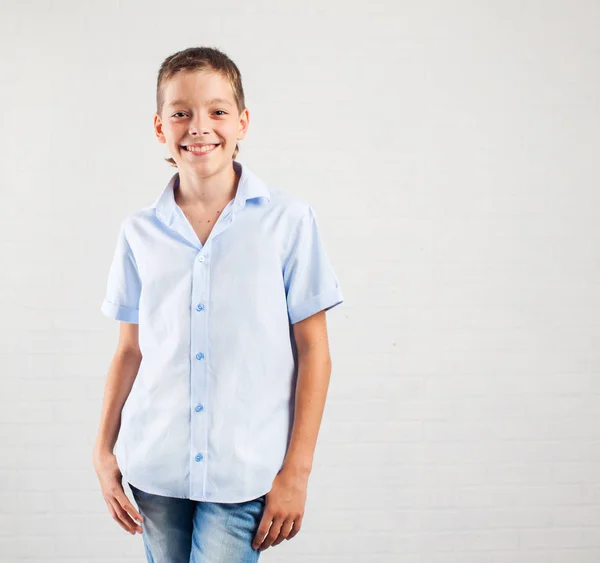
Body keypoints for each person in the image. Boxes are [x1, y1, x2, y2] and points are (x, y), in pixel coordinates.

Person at [92, 45, 343, 563]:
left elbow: (314, 351)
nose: (199, 126)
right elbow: (129, 352)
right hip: (155, 466)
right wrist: (102, 450)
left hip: (244, 469)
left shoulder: (288, 222)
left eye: (217, 110)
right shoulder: (138, 232)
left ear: (243, 122)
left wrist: (297, 471)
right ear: (160, 127)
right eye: (180, 112)